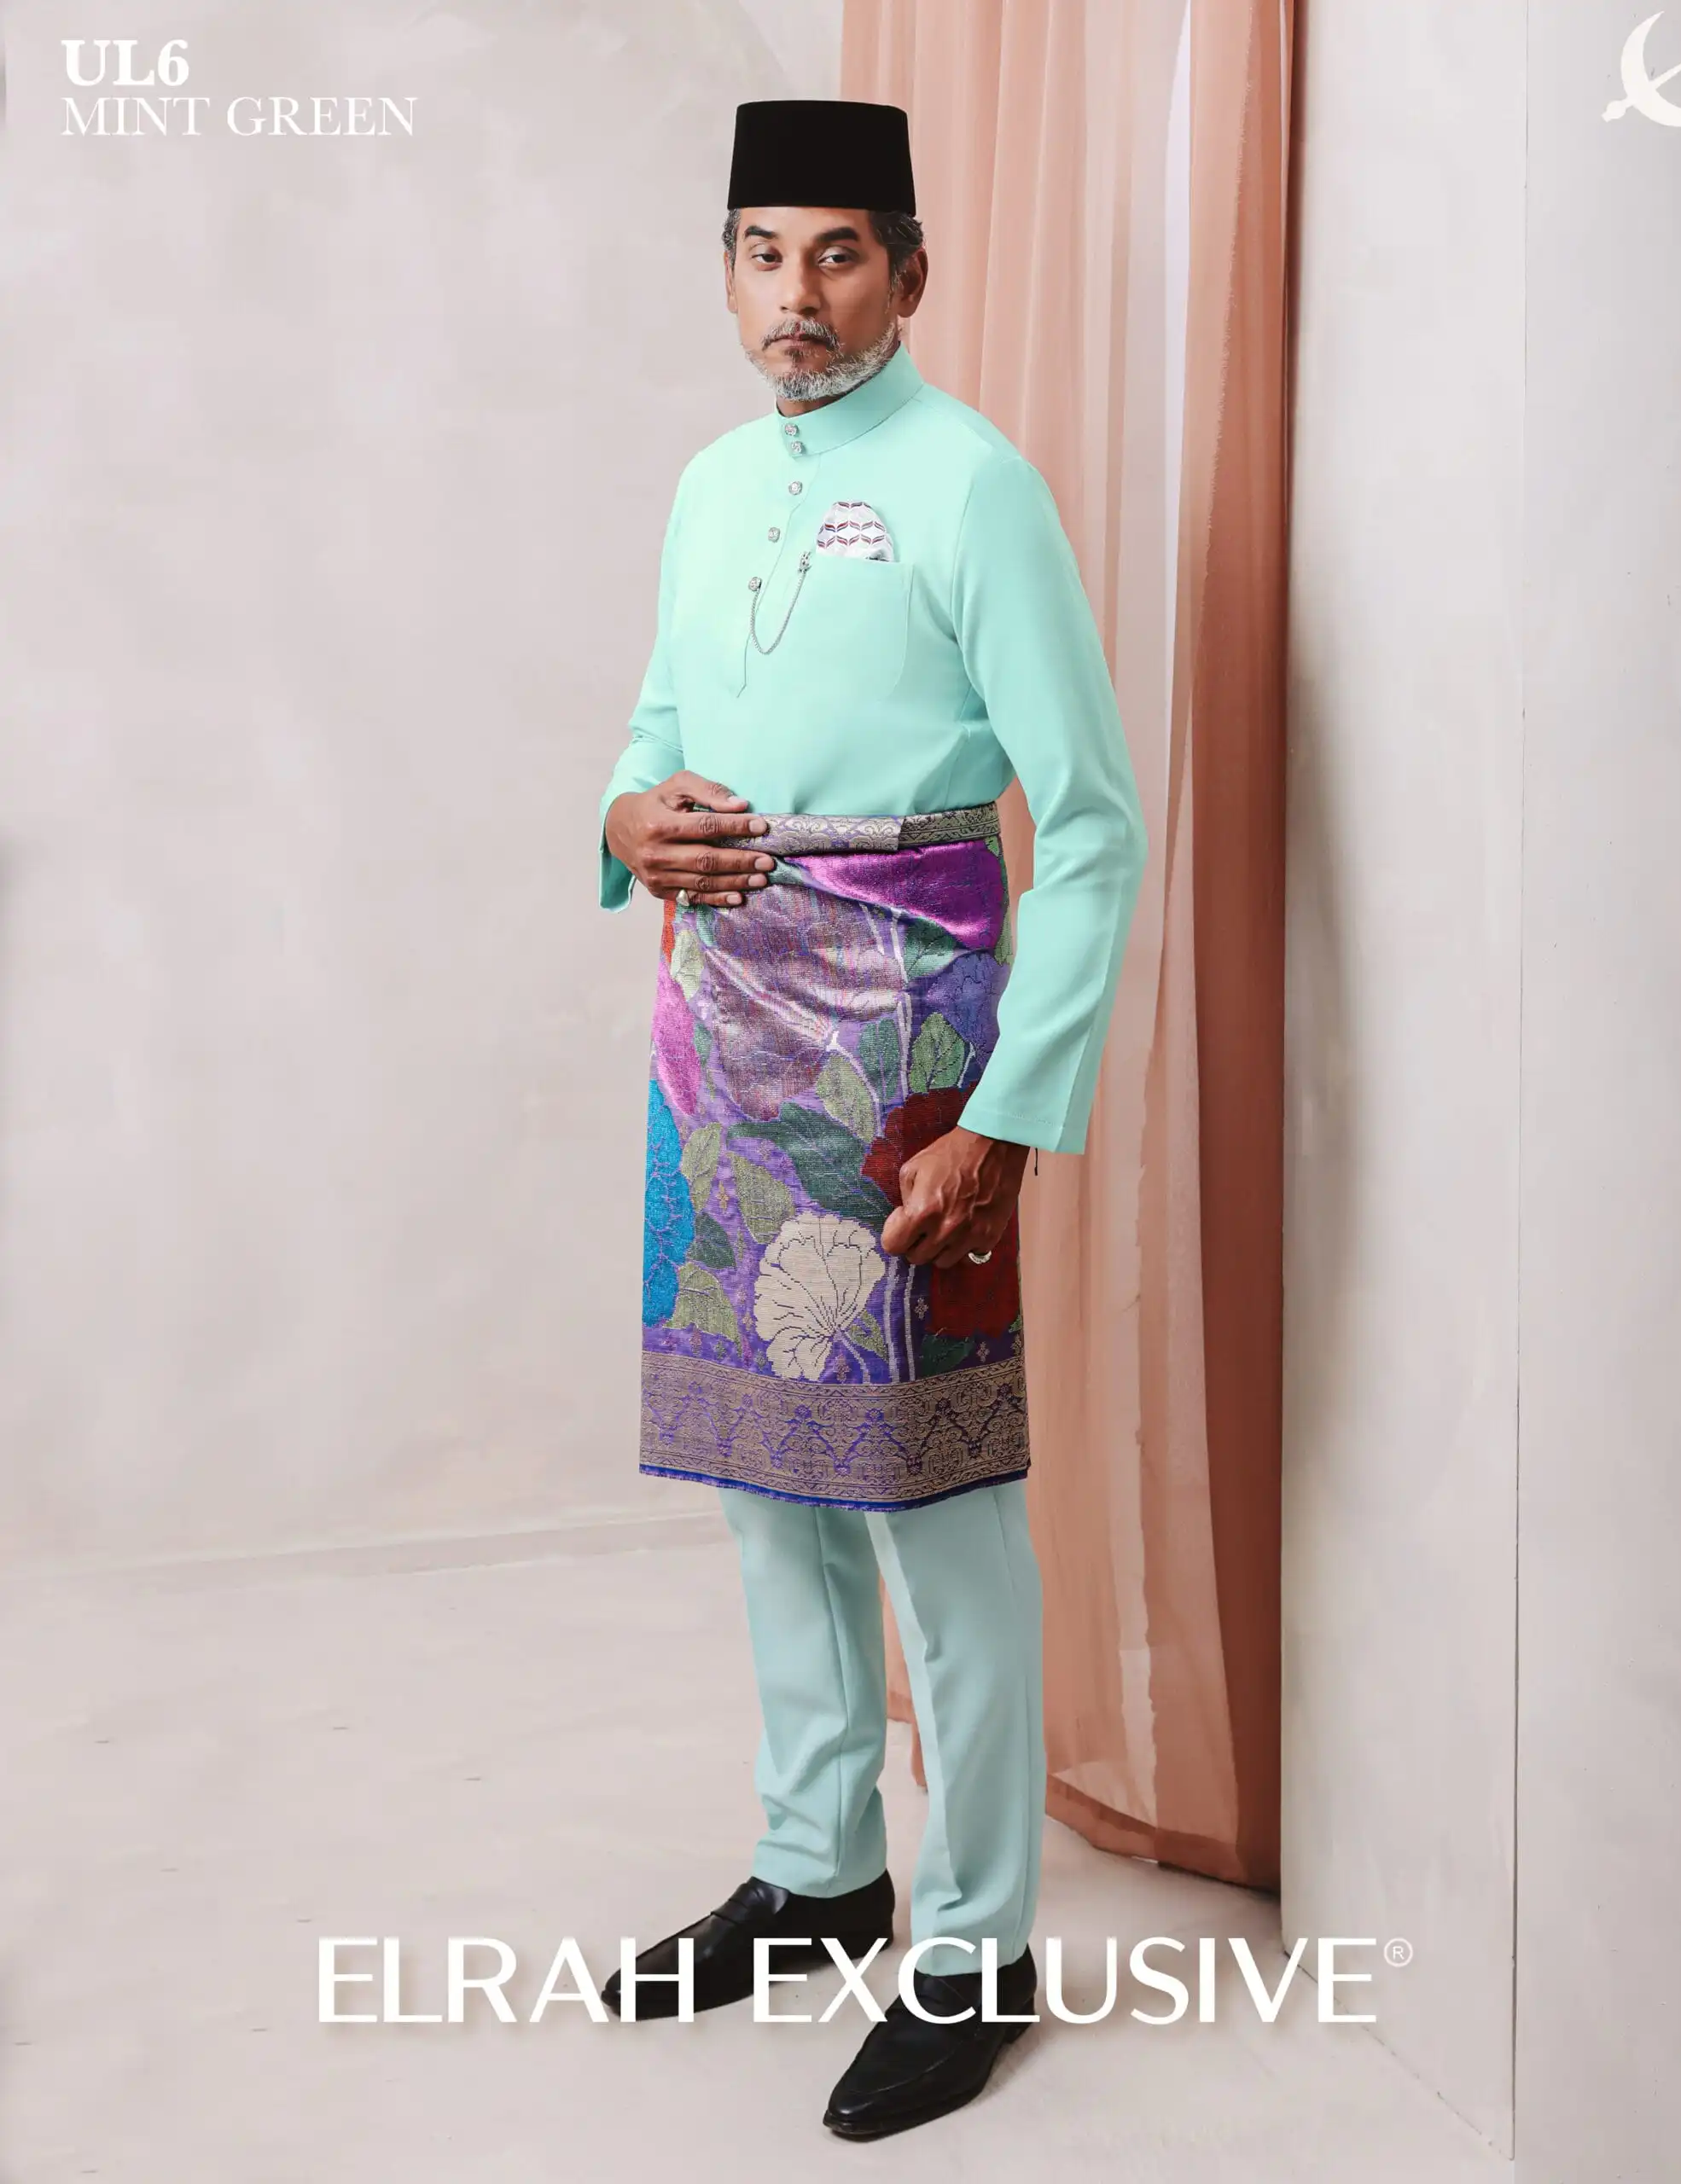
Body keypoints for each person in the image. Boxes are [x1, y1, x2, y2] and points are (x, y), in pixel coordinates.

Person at [594, 96, 1147, 2140]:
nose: (795, 295)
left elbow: (1092, 822)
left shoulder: (972, 482)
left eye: (836, 252)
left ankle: (978, 1939)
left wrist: (1002, 1115)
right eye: (762, 251)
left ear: (908, 271)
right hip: (721, 1022)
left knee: (934, 1492)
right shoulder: (709, 482)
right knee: (769, 1466)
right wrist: (625, 817)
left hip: (911, 1035)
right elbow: (658, 731)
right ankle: (817, 1866)